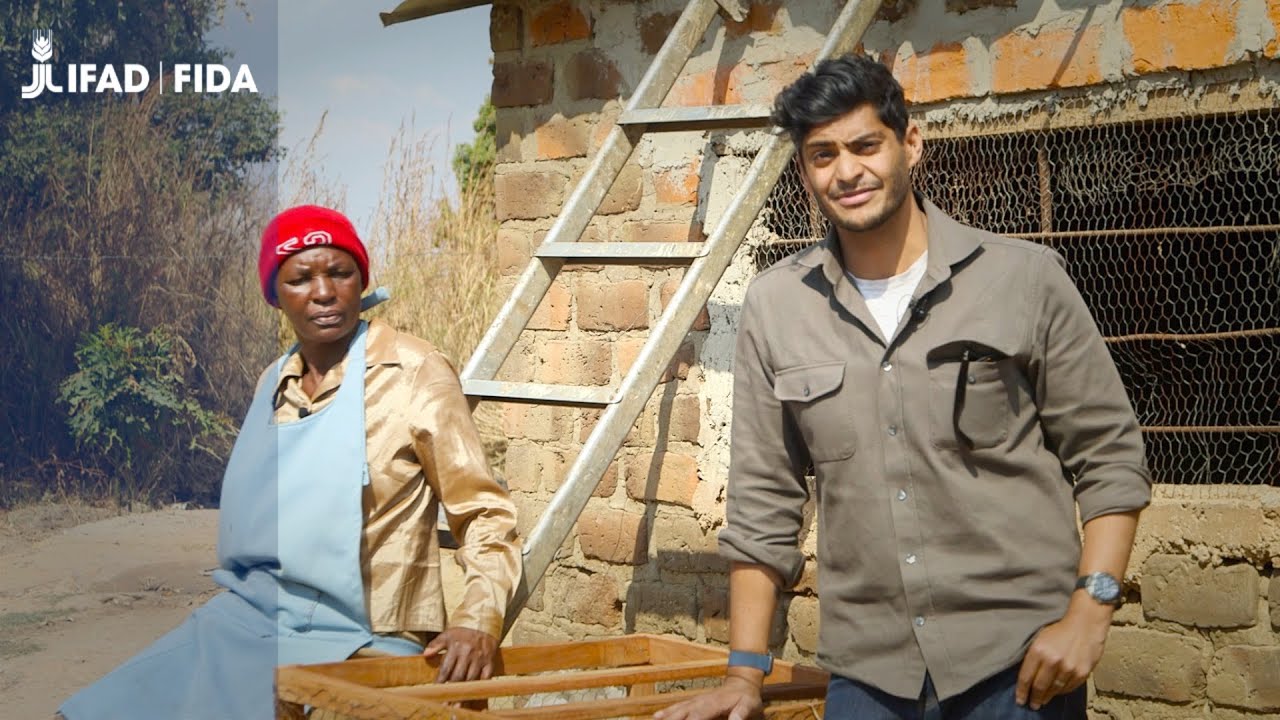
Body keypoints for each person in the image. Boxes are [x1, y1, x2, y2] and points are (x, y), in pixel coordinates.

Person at [656, 55, 1151, 720]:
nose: (847, 171)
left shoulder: (1022, 278)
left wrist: (1091, 609)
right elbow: (762, 504)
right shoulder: (777, 307)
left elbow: (1110, 459)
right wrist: (745, 675)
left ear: (910, 144)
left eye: (865, 145)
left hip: (1017, 665)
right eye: (823, 154)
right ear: (804, 171)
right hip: (869, 673)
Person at [60, 205, 522, 719]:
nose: (324, 292)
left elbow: (484, 514)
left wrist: (478, 619)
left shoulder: (413, 372)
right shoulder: (271, 384)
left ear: (360, 279)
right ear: (275, 296)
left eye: (340, 273)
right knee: (98, 709)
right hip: (252, 615)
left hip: (368, 634)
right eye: (301, 279)